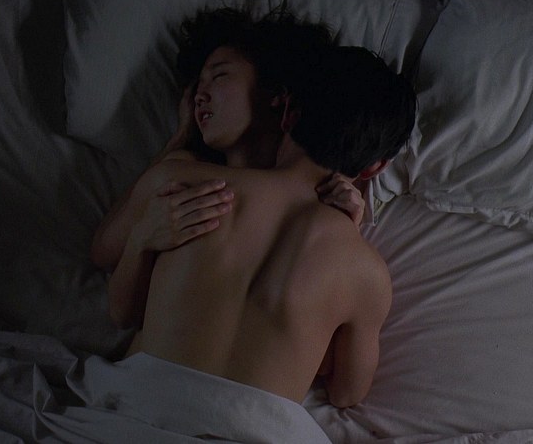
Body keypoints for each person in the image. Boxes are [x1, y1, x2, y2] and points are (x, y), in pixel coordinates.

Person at [120, 44, 417, 408]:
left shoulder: (177, 182)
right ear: (376, 168)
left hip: (137, 414)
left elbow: (123, 315)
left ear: (288, 114)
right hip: (252, 430)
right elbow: (346, 393)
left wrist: (139, 240)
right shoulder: (366, 274)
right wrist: (346, 237)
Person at [92, 8, 368, 329]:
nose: (199, 96)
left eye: (219, 76)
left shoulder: (319, 191)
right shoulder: (184, 175)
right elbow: (104, 254)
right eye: (198, 86)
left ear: (275, 93)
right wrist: (178, 141)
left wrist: (349, 229)